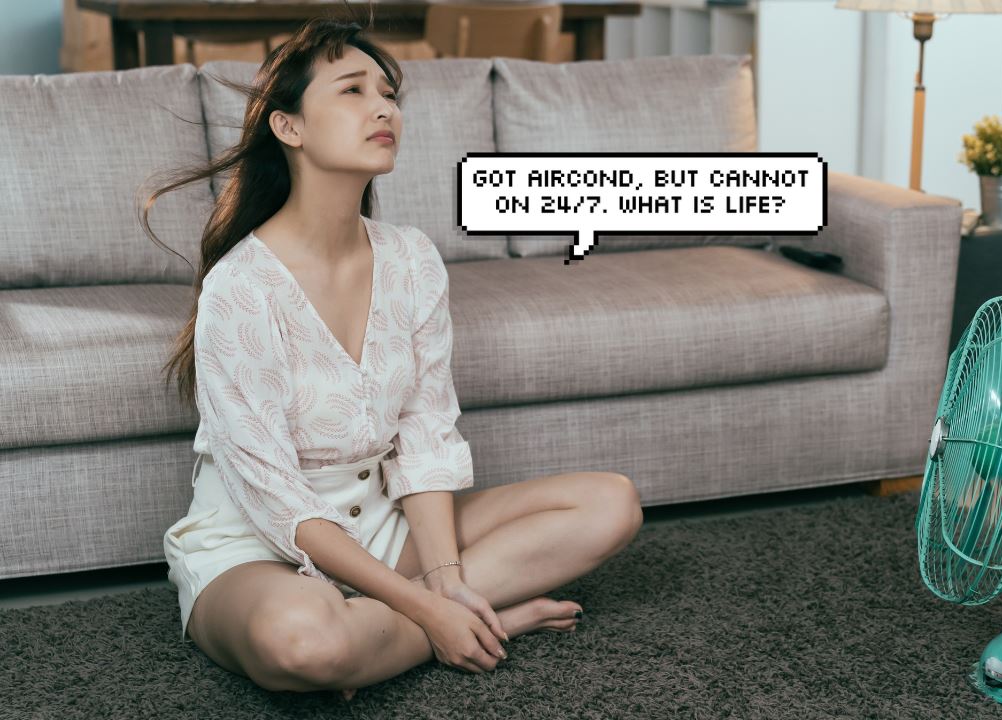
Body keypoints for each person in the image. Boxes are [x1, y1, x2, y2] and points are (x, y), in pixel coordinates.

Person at [142, 13, 643, 700]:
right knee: (305, 643)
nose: (383, 107)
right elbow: (273, 496)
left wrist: (443, 580)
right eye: (352, 91)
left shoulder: (411, 258)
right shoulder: (241, 286)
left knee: (610, 503)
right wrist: (426, 607)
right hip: (258, 544)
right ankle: (463, 624)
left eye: (388, 93)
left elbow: (425, 432)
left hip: (383, 523)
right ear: (288, 127)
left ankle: (412, 629)